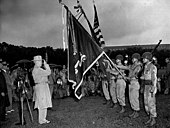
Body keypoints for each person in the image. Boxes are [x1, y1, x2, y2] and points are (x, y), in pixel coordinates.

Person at [117, 53, 142, 118]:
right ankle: (134, 111)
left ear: (137, 59)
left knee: (134, 98)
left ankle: (136, 111)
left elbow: (134, 74)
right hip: (131, 83)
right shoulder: (132, 66)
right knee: (131, 98)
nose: (132, 59)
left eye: (134, 58)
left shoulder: (138, 66)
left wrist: (127, 78)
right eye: (132, 58)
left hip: (134, 83)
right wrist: (117, 66)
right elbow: (126, 67)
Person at [32, 55, 52, 124]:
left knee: (44, 103)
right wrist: (46, 65)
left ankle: (43, 118)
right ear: (36, 62)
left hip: (43, 86)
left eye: (41, 61)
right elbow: (48, 72)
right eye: (39, 61)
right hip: (41, 87)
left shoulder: (38, 69)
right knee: (42, 103)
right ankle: (41, 120)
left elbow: (44, 76)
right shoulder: (37, 70)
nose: (41, 63)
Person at [141, 52, 157, 126]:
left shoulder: (152, 67)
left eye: (144, 58)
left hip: (150, 86)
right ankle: (150, 118)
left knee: (151, 103)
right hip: (146, 86)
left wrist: (153, 87)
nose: (143, 59)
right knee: (146, 103)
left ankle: (153, 119)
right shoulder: (145, 66)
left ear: (148, 58)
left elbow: (154, 78)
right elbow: (145, 77)